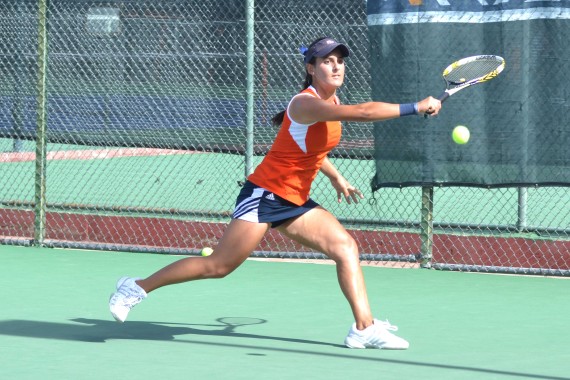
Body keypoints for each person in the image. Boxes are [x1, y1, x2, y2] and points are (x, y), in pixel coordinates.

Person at [109, 36, 441, 349]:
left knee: (345, 247)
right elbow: (364, 113)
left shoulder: (330, 100)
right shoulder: (304, 103)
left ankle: (364, 329)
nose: (337, 66)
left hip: (294, 200)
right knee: (219, 266)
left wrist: (335, 176)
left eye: (340, 61)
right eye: (328, 61)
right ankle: (136, 287)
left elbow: (310, 149)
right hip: (265, 195)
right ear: (312, 68)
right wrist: (415, 106)